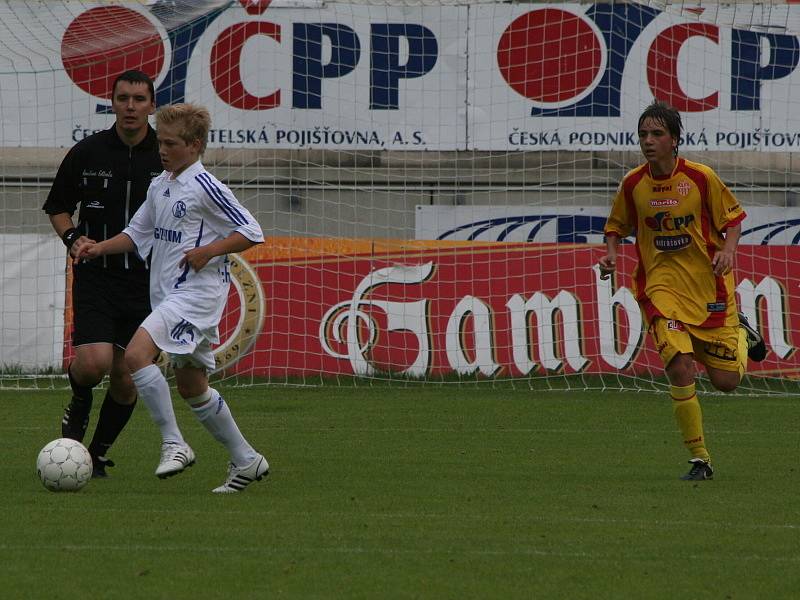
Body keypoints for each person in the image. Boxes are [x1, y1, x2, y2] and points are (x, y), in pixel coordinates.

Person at [74, 103, 268, 493]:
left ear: (194, 145)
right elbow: (136, 233)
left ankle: (174, 442)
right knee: (192, 386)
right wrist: (98, 248)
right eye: (160, 142)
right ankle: (248, 461)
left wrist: (208, 251)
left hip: (196, 295)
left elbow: (252, 230)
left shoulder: (206, 186)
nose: (162, 150)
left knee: (133, 356)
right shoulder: (161, 184)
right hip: (169, 295)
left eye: (170, 143)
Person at [598, 100, 767, 481]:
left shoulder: (700, 177)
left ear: (674, 140)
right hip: (660, 291)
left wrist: (727, 249)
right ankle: (700, 459)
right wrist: (610, 256)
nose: (648, 141)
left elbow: (735, 220)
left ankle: (739, 329)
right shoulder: (633, 184)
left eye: (657, 134)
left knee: (726, 382)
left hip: (708, 289)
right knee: (679, 365)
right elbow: (615, 227)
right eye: (643, 134)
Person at [42, 70, 163, 477]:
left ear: (152, 105)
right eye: (123, 98)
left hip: (148, 283)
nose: (130, 106)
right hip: (96, 275)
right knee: (93, 364)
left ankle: (93, 455)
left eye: (139, 99)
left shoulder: (166, 158)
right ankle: (78, 399)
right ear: (111, 102)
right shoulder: (88, 152)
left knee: (128, 376)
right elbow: (57, 207)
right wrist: (73, 238)